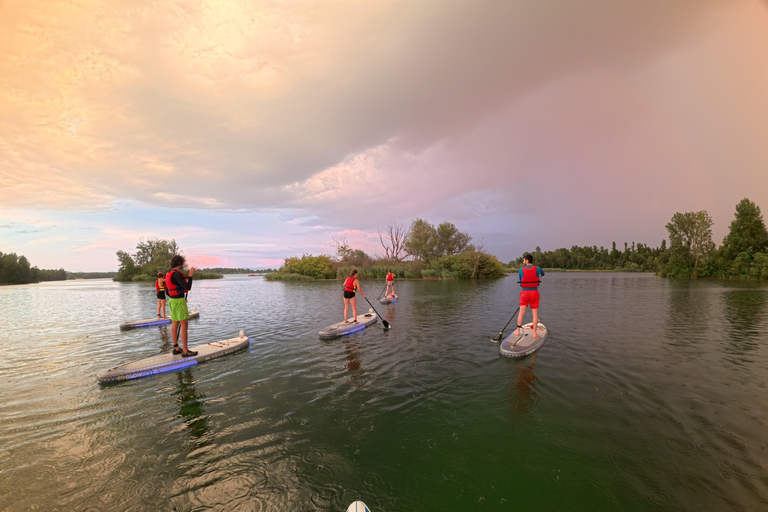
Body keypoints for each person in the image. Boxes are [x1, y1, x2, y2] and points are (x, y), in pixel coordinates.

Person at [165, 255, 196, 357]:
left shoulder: (168, 274)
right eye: (182, 263)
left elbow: (167, 292)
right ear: (180, 263)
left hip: (172, 301)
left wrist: (177, 297)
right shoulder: (177, 275)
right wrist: (190, 275)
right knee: (184, 324)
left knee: (175, 324)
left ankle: (176, 348)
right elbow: (188, 287)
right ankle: (186, 351)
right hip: (178, 301)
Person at [514, 254, 545, 338]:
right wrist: (539, 277)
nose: (523, 262)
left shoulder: (521, 270)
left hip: (524, 293)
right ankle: (535, 333)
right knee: (535, 314)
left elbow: (521, 280)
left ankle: (517, 332)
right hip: (534, 293)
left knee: (521, 313)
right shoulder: (538, 268)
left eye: (524, 260)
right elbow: (542, 274)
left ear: (527, 261)